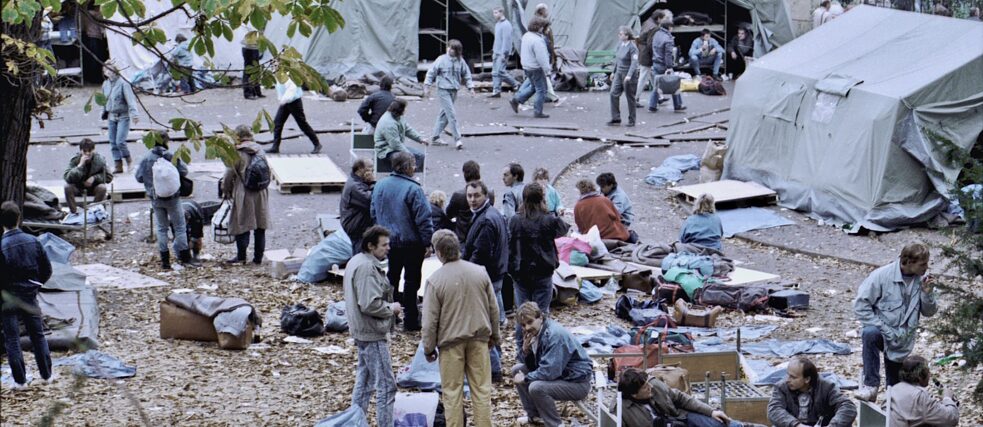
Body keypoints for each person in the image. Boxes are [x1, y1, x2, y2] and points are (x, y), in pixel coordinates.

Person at [421, 230, 499, 427]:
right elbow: (493, 308)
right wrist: (494, 336)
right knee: (481, 390)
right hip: (479, 339)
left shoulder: (435, 280)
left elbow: (430, 321)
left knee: (452, 393)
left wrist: (428, 348)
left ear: (438, 252)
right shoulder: (479, 272)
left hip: (450, 344)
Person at [853, 243, 938, 402]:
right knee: (869, 333)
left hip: (902, 342)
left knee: (895, 394)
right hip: (883, 332)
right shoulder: (882, 276)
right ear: (908, 262)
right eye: (923, 264)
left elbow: (929, 312)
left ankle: (891, 405)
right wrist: (881, 327)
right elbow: (860, 305)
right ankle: (871, 385)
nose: (926, 267)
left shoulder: (923, 281)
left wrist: (927, 294)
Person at [345, 226, 401, 427]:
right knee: (387, 386)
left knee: (365, 382)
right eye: (384, 245)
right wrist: (391, 308)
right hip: (372, 332)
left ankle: (354, 421)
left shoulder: (356, 261)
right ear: (371, 246)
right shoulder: (367, 268)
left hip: (362, 330)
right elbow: (369, 303)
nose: (388, 248)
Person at [370, 152, 434, 331]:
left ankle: (389, 316)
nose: (415, 168)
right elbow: (423, 218)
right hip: (411, 243)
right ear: (405, 167)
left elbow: (373, 212)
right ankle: (411, 320)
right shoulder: (413, 189)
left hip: (389, 242)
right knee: (412, 281)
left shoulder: (380, 185)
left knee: (391, 278)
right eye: (413, 164)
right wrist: (427, 242)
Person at [508, 183, 569, 351]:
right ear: (542, 199)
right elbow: (564, 230)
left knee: (523, 316)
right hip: (543, 272)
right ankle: (543, 351)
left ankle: (522, 353)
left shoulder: (515, 220)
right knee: (541, 315)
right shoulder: (548, 220)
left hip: (521, 273)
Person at [0, 201, 54, 390]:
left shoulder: (2, 246)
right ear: (19, 218)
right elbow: (47, 269)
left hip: (8, 299)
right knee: (37, 335)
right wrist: (36, 286)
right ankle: (47, 375)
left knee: (12, 339)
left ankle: (20, 381)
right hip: (30, 295)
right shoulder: (33, 241)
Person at [512, 302, 592, 427]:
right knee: (517, 370)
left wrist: (526, 378)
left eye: (530, 322)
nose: (527, 327)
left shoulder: (554, 335)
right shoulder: (535, 332)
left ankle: (555, 424)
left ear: (540, 317)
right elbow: (533, 365)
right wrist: (526, 351)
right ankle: (534, 416)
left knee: (536, 387)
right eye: (523, 325)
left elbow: (549, 372)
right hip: (561, 375)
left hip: (577, 383)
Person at [135, 131, 195, 270]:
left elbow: (138, 177)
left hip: (155, 197)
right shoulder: (171, 155)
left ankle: (165, 261)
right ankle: (185, 257)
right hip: (173, 197)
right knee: (180, 227)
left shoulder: (146, 158)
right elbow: (184, 171)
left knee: (162, 228)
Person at [619, 368, 740, 427]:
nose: (650, 386)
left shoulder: (655, 385)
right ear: (634, 394)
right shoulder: (622, 409)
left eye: (648, 383)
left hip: (680, 417)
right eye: (645, 387)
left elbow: (682, 399)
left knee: (720, 423)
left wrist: (711, 411)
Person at [221, 126, 269, 264]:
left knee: (242, 225)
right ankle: (258, 258)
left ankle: (241, 257)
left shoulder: (237, 153)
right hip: (261, 192)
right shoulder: (260, 149)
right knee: (260, 226)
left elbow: (228, 175)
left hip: (244, 192)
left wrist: (226, 191)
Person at [767, 357, 857, 427]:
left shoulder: (826, 387)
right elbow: (774, 410)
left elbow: (847, 406)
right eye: (788, 375)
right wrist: (796, 425)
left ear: (807, 379)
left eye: (793, 377)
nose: (788, 380)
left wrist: (832, 425)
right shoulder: (781, 387)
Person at [424, 39, 474, 150]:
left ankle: (435, 137)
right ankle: (457, 139)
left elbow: (466, 73)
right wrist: (427, 86)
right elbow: (431, 72)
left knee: (444, 114)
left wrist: (471, 87)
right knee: (451, 114)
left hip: (454, 90)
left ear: (457, 51)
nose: (449, 50)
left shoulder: (460, 61)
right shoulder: (441, 60)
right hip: (443, 89)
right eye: (449, 47)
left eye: (452, 48)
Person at [887, 355, 960, 427]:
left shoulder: (893, 389)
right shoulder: (920, 396)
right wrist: (947, 398)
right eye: (928, 371)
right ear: (920, 376)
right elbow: (951, 418)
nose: (930, 374)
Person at [509, 17, 551, 119]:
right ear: (539, 27)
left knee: (533, 87)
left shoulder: (526, 36)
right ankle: (538, 111)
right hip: (536, 68)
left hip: (527, 67)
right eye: (543, 27)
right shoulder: (538, 40)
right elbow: (542, 57)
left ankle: (517, 99)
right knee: (542, 90)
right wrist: (547, 70)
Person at [101, 62, 140, 173]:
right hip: (111, 116)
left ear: (116, 71)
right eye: (106, 70)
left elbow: (130, 100)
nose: (108, 72)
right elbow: (104, 100)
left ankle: (129, 160)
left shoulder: (123, 83)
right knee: (112, 142)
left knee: (120, 141)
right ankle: (118, 164)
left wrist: (135, 115)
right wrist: (103, 112)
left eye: (110, 70)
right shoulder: (105, 84)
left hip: (123, 116)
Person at [266, 79, 322, 154]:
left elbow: (292, 88)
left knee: (302, 124)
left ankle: (317, 144)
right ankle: (275, 147)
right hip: (286, 101)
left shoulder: (287, 73)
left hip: (294, 101)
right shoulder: (279, 73)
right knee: (277, 123)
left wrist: (284, 99)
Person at [446, 160, 496, 242]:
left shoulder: (458, 195)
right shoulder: (489, 193)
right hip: (481, 236)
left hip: (463, 237)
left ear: (465, 174)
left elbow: (449, 214)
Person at [374, 99, 428, 169]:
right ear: (400, 109)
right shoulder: (389, 123)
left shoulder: (398, 116)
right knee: (408, 159)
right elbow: (395, 144)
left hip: (393, 148)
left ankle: (408, 173)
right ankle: (403, 175)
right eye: (405, 108)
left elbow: (407, 129)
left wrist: (420, 138)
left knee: (420, 156)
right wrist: (409, 154)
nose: (406, 109)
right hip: (386, 151)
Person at [63, 138, 111, 215]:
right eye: (84, 151)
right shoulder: (75, 160)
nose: (87, 153)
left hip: (93, 187)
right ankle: (74, 213)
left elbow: (109, 177)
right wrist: (79, 166)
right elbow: (67, 178)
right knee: (67, 187)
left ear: (93, 150)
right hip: (78, 187)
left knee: (102, 188)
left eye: (90, 151)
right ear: (80, 151)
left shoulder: (100, 160)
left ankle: (92, 211)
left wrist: (94, 178)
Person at [649, 18, 686, 113]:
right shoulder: (668, 39)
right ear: (669, 27)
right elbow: (668, 54)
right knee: (674, 84)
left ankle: (652, 105)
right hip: (664, 65)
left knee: (657, 85)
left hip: (655, 62)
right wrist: (669, 67)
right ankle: (678, 105)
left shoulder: (656, 34)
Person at [341, 158, 375, 253]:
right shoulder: (355, 186)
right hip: (356, 226)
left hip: (357, 224)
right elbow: (371, 200)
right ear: (360, 169)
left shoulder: (356, 181)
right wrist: (372, 182)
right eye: (370, 168)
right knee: (360, 253)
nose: (372, 171)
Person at [608, 26, 640, 127]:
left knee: (630, 97)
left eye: (621, 34)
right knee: (613, 93)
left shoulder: (632, 47)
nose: (619, 35)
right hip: (619, 72)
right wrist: (613, 72)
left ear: (627, 36)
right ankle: (616, 118)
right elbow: (618, 59)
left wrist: (629, 75)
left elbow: (634, 63)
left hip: (628, 74)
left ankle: (632, 120)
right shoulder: (620, 45)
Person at [635, 11, 667, 108]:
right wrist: (656, 55)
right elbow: (651, 43)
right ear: (658, 18)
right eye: (662, 18)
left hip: (642, 51)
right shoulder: (655, 27)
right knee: (643, 77)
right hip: (647, 54)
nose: (663, 20)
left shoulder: (647, 22)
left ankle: (660, 96)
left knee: (653, 76)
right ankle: (635, 98)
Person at [489, 7, 519, 98]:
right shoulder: (497, 24)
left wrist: (504, 53)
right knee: (494, 72)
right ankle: (496, 91)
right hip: (496, 51)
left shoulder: (506, 25)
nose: (494, 15)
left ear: (501, 13)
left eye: (496, 12)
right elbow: (497, 39)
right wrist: (494, 51)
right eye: (494, 13)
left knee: (500, 71)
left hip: (502, 52)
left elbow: (507, 40)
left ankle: (516, 84)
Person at [241, 25, 263, 100]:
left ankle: (256, 92)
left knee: (256, 69)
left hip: (255, 47)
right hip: (248, 47)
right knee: (248, 70)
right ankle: (248, 93)